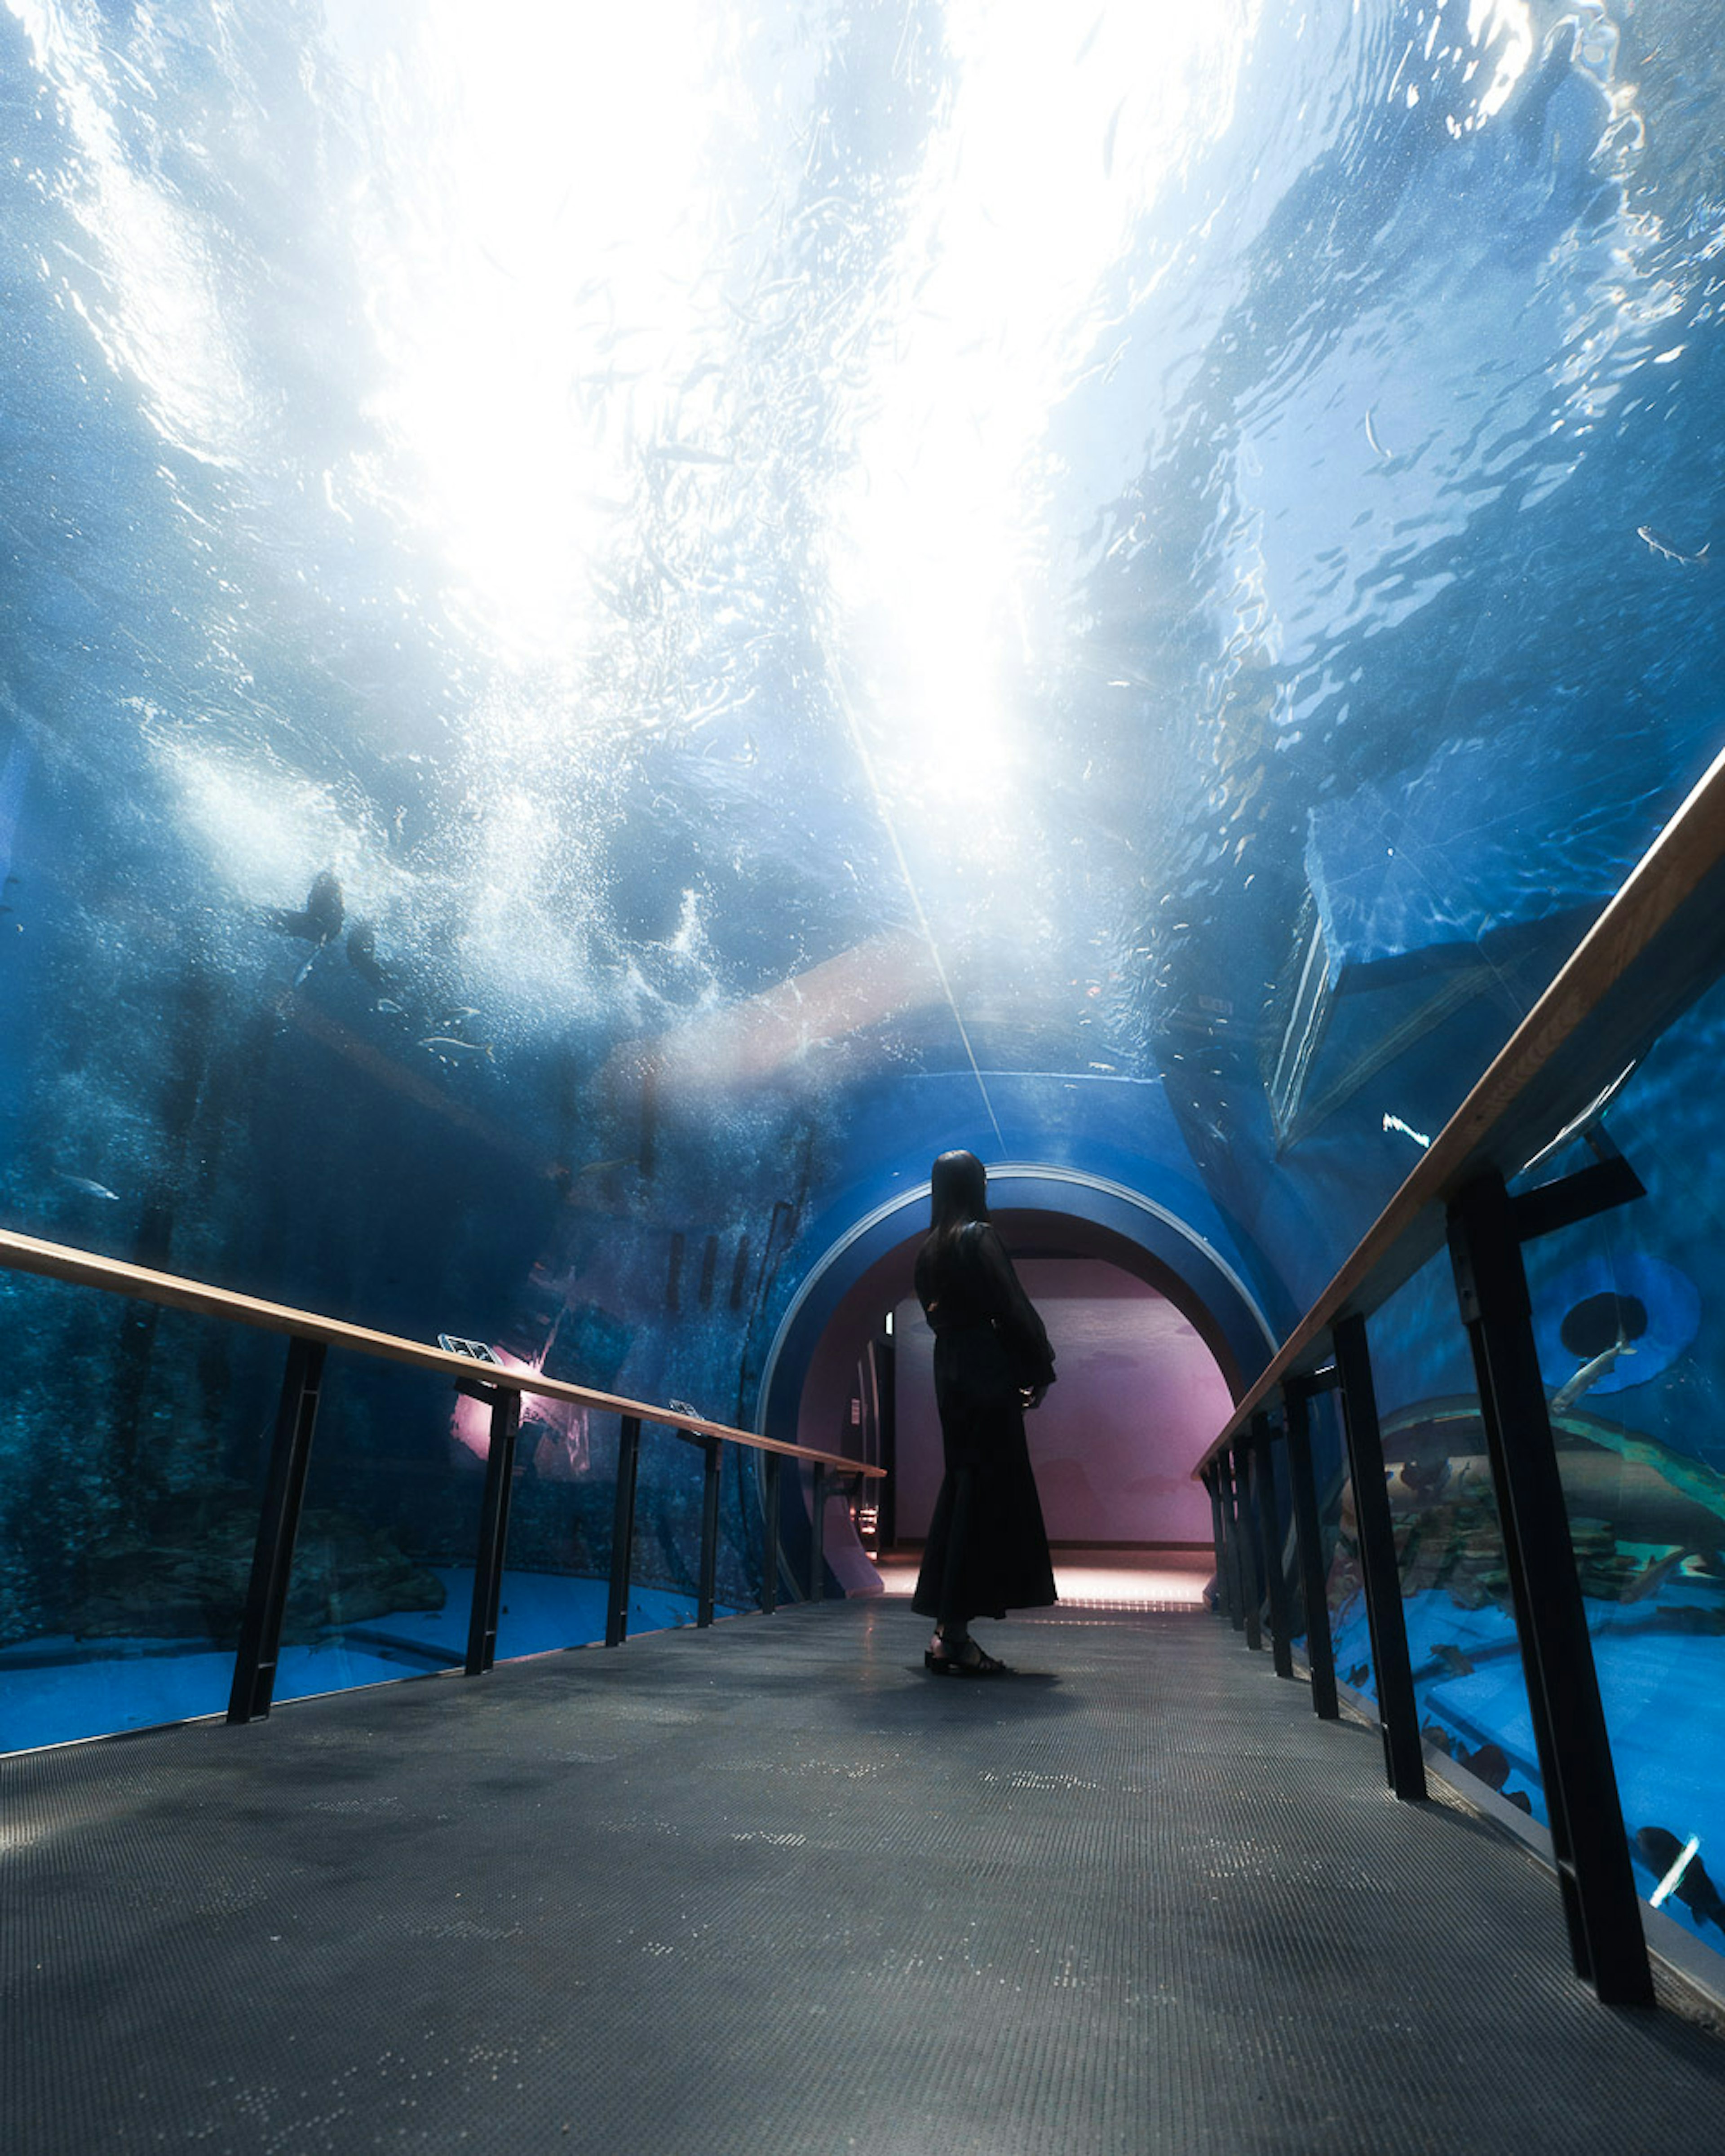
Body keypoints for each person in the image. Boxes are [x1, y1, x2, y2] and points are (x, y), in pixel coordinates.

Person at [911, 1150, 1057, 1675]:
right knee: (988, 1492)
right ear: (974, 1185)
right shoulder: (979, 1236)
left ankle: (949, 1630)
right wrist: (1040, 1368)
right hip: (985, 1373)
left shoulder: (928, 1251)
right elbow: (1012, 1305)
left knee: (965, 1488)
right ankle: (952, 1635)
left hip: (949, 1372)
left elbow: (942, 1321)